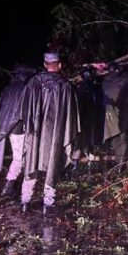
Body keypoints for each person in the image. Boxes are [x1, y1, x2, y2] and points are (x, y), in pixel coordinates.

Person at [20, 52, 79, 213]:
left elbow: (24, 108)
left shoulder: (34, 82)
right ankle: (48, 203)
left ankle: (25, 201)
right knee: (53, 163)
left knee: (32, 160)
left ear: (45, 64)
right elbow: (71, 115)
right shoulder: (65, 85)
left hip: (36, 132)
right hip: (55, 133)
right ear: (59, 65)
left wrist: (29, 125)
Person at [0, 64, 37, 197]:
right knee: (20, 159)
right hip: (20, 129)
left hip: (11, 129)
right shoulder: (24, 89)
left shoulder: (8, 88)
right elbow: (25, 112)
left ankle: (10, 185)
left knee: (19, 157)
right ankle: (10, 187)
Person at [102, 61, 128, 171]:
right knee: (122, 140)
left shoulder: (104, 82)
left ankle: (110, 166)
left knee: (114, 140)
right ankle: (120, 167)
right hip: (119, 116)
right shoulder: (121, 80)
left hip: (107, 118)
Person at [72, 66, 105, 171]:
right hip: (92, 120)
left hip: (81, 120)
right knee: (90, 141)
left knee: (80, 142)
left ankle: (75, 165)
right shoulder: (96, 88)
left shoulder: (78, 88)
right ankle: (87, 163)